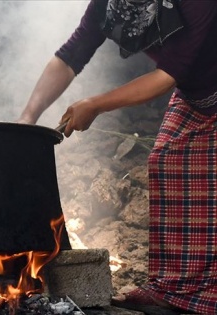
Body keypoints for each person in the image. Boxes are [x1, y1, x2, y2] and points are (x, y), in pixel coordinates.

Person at [18, 0, 216, 313]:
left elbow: (166, 76)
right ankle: (173, 289)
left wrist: (96, 104)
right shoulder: (111, 5)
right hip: (197, 96)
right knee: (165, 161)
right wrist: (27, 118)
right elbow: (70, 56)